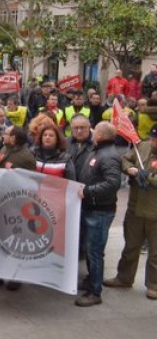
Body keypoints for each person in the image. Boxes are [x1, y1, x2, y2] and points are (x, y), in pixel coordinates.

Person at [102, 124, 157, 300]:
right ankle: (124, 277)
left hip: (155, 212)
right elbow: (125, 159)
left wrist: (147, 177)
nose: (154, 142)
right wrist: (130, 169)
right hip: (135, 208)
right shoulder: (143, 146)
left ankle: (154, 284)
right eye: (153, 138)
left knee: (155, 253)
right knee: (130, 247)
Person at [74, 121, 122, 307]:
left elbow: (112, 184)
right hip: (92, 208)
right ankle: (91, 280)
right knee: (90, 249)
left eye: (95, 131)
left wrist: (88, 191)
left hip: (100, 211)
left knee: (95, 252)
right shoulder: (98, 151)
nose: (92, 133)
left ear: (100, 135)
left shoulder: (108, 155)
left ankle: (95, 292)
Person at [0, 126, 36, 291]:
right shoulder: (5, 148)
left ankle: (15, 276)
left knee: (15, 241)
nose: (3, 135)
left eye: (6, 134)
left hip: (16, 205)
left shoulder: (25, 157)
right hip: (0, 201)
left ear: (14, 138)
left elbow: (30, 182)